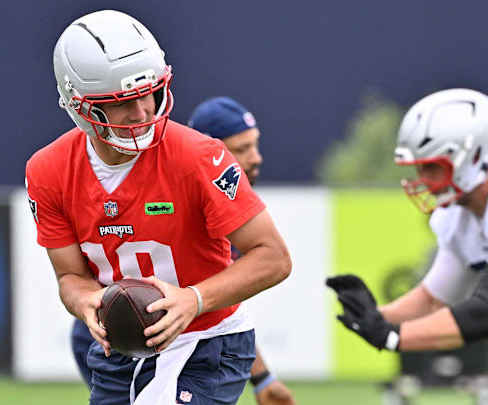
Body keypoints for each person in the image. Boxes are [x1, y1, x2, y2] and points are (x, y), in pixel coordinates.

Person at [26, 9, 291, 405]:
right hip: (122, 348)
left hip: (208, 340)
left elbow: (274, 258)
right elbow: (70, 277)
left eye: (147, 92)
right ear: (79, 106)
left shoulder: (197, 156)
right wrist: (84, 301)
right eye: (120, 103)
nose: (141, 112)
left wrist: (193, 299)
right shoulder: (47, 171)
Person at [326, 88, 488, 353]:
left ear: (473, 156)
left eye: (432, 166)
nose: (423, 180)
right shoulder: (459, 217)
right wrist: (371, 317)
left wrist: (392, 337)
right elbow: (433, 300)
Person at [188, 96, 296, 405]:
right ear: (212, 152)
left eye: (255, 145)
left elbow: (218, 309)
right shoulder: (188, 208)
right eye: (242, 148)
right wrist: (263, 379)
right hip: (117, 337)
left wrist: (263, 379)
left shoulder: (227, 213)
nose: (256, 157)